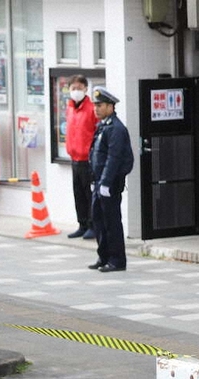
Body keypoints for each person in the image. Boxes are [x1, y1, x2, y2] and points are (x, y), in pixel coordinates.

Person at [87, 87, 134, 273]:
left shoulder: (116, 128)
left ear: (110, 106)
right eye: (95, 106)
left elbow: (113, 158)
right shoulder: (103, 126)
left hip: (110, 183)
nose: (96, 109)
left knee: (112, 221)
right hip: (99, 181)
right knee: (98, 220)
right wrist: (94, 179)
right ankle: (104, 256)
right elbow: (95, 155)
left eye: (100, 105)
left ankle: (117, 260)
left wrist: (106, 182)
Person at [65, 75, 98, 239]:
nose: (76, 91)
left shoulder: (92, 109)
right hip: (75, 158)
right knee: (78, 193)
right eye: (73, 88)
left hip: (88, 159)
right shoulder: (70, 108)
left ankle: (93, 225)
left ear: (86, 89)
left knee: (89, 194)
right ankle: (82, 224)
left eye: (79, 88)